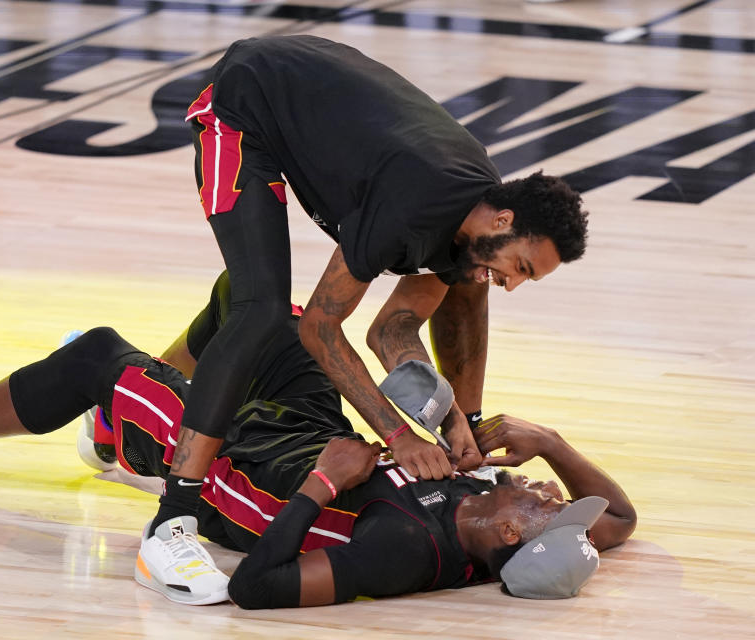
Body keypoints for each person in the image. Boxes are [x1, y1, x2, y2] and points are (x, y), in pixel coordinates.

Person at [0, 272, 633, 607]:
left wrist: (323, 485)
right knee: (259, 306)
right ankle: (126, 427)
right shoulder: (493, 519)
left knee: (94, 355)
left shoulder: (406, 552)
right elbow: (622, 523)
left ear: (506, 536)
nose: (550, 496)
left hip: (244, 481)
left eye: (545, 509)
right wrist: (551, 439)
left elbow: (260, 588)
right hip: (312, 436)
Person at [156, 33, 590, 602]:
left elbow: (392, 332)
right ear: (504, 219)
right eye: (522, 267)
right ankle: (171, 520)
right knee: (261, 309)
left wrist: (455, 423)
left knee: (466, 289)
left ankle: (148, 382)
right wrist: (397, 434)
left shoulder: (470, 222)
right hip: (245, 104)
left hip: (312, 90)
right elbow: (320, 328)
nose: (513, 282)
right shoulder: (413, 204)